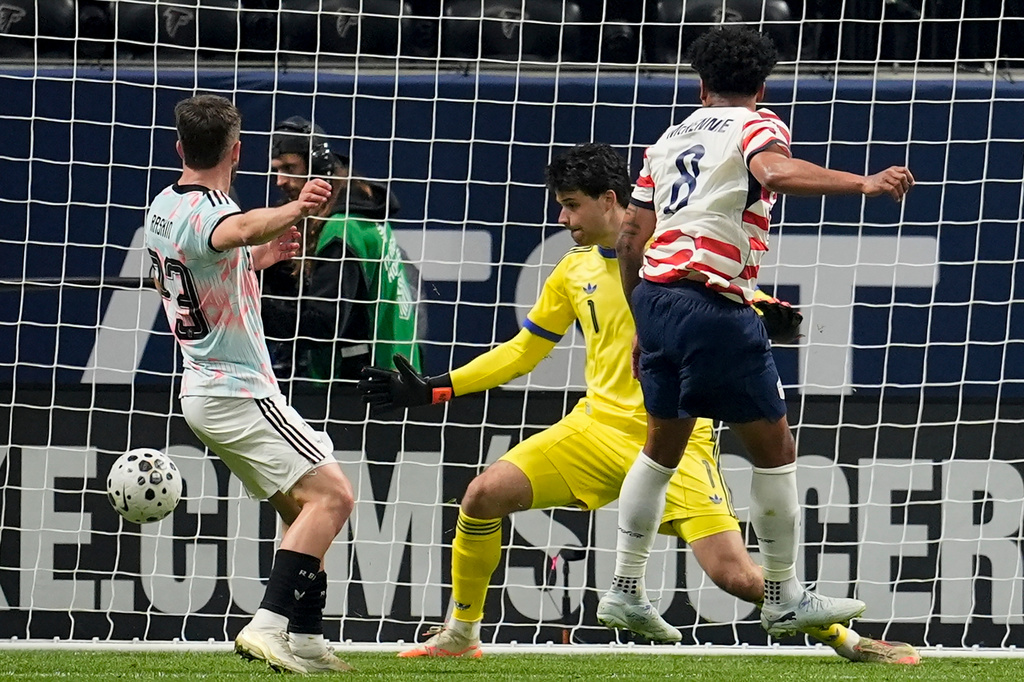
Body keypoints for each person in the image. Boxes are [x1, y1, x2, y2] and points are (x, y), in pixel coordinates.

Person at [359, 143, 918, 664]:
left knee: (738, 576)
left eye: (572, 206)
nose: (564, 220)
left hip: (676, 441)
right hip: (594, 430)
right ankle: (461, 634)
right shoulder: (572, 269)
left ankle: (849, 640)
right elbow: (525, 351)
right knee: (482, 496)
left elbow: (724, 295)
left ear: (610, 201)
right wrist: (437, 388)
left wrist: (767, 306)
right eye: (561, 207)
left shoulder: (673, 248)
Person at [605, 25, 916, 641]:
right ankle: (782, 596)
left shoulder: (669, 138)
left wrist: (644, 315)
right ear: (763, 85)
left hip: (658, 301)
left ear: (700, 84)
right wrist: (864, 183)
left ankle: (625, 589)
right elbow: (773, 173)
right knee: (775, 452)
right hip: (712, 306)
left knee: (661, 447)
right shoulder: (757, 126)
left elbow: (629, 238)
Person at [144, 95, 355, 674]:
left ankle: (308, 638)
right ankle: (267, 626)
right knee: (334, 497)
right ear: (238, 151)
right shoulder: (215, 212)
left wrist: (258, 257)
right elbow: (232, 228)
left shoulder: (163, 205)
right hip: (237, 389)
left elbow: (210, 259)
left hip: (204, 389)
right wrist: (295, 209)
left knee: (302, 512)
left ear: (180, 147)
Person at [261, 115, 422, 382]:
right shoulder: (360, 211)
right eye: (276, 169)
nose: (279, 180)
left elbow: (326, 325)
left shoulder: (342, 232)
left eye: (290, 168)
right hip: (397, 363)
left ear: (317, 170)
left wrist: (252, 307)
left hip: (368, 379)